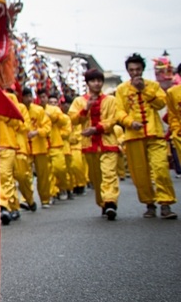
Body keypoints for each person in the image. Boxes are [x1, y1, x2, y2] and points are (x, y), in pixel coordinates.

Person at [114, 53, 177, 219]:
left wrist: (144, 90)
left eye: (138, 69)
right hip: (133, 136)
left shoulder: (153, 86)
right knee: (140, 173)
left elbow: (161, 103)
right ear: (127, 71)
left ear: (142, 70)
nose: (135, 73)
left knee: (161, 168)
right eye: (131, 70)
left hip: (155, 133)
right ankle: (149, 203)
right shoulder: (121, 90)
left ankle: (165, 203)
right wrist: (129, 122)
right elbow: (119, 111)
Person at [69, 68, 128, 220]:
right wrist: (86, 108)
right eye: (93, 81)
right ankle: (103, 203)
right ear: (87, 83)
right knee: (96, 177)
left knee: (109, 174)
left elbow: (113, 119)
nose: (97, 84)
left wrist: (97, 128)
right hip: (89, 145)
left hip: (108, 142)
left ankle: (110, 202)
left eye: (99, 81)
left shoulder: (110, 100)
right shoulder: (79, 101)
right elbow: (73, 119)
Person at [0, 87, 25, 225]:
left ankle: (4, 206)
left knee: (5, 176)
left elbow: (17, 122)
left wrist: (1, 110)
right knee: (0, 178)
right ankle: (13, 206)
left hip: (7, 144)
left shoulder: (10, 97)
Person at [23, 90, 52, 209]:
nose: (29, 99)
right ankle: (26, 198)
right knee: (24, 174)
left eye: (30, 96)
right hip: (24, 147)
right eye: (26, 96)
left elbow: (47, 127)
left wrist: (37, 132)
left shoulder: (39, 110)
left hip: (40, 146)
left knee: (43, 175)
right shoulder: (18, 108)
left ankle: (45, 199)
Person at [44, 98, 73, 203]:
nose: (53, 105)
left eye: (55, 102)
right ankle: (52, 192)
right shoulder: (40, 111)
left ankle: (63, 187)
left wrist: (52, 117)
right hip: (45, 146)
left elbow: (65, 129)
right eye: (50, 102)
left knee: (60, 169)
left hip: (58, 145)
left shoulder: (62, 116)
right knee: (48, 172)